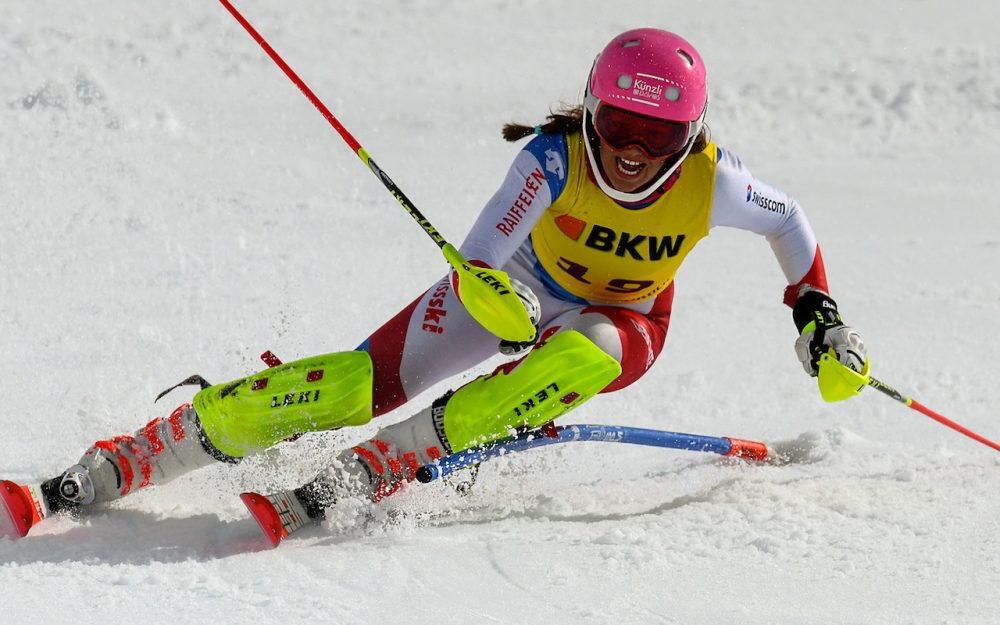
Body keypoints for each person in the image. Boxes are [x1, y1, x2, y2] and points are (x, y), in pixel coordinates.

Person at [1, 28, 868, 544]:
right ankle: (147, 450)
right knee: (349, 383)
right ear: (592, 111)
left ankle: (382, 467)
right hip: (520, 283)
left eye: (659, 131)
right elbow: (484, 251)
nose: (634, 150)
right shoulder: (553, 159)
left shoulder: (712, 180)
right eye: (620, 124)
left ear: (693, 133)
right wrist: (496, 293)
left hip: (623, 316)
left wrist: (817, 314)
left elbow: (791, 223)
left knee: (577, 355)